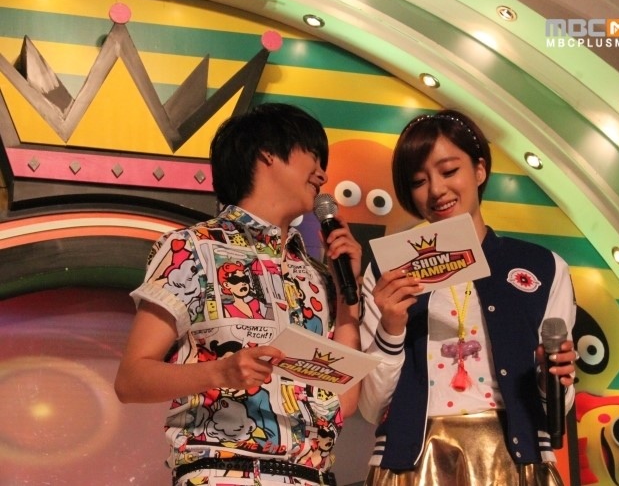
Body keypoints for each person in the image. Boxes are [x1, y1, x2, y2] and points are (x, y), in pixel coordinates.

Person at [114, 103, 362, 486]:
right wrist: (220, 371)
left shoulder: (315, 274)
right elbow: (131, 380)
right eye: (313, 155)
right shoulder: (192, 248)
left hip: (313, 476)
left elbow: (343, 401)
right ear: (267, 152)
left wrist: (349, 300)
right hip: (223, 473)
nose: (322, 174)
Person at [358, 109, 578, 485]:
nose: (436, 190)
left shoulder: (543, 267)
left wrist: (552, 377)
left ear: (479, 170)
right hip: (413, 464)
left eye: (449, 171)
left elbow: (557, 404)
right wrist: (391, 327)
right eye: (419, 181)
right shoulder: (388, 270)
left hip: (515, 460)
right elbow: (371, 406)